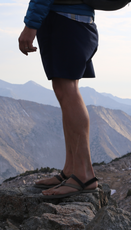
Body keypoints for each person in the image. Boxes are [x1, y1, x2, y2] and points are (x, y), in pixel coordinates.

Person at [18, 0, 99, 198]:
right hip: (80, 21)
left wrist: (30, 25)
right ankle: (72, 170)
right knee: (66, 91)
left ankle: (84, 175)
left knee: (68, 91)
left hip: (64, 21)